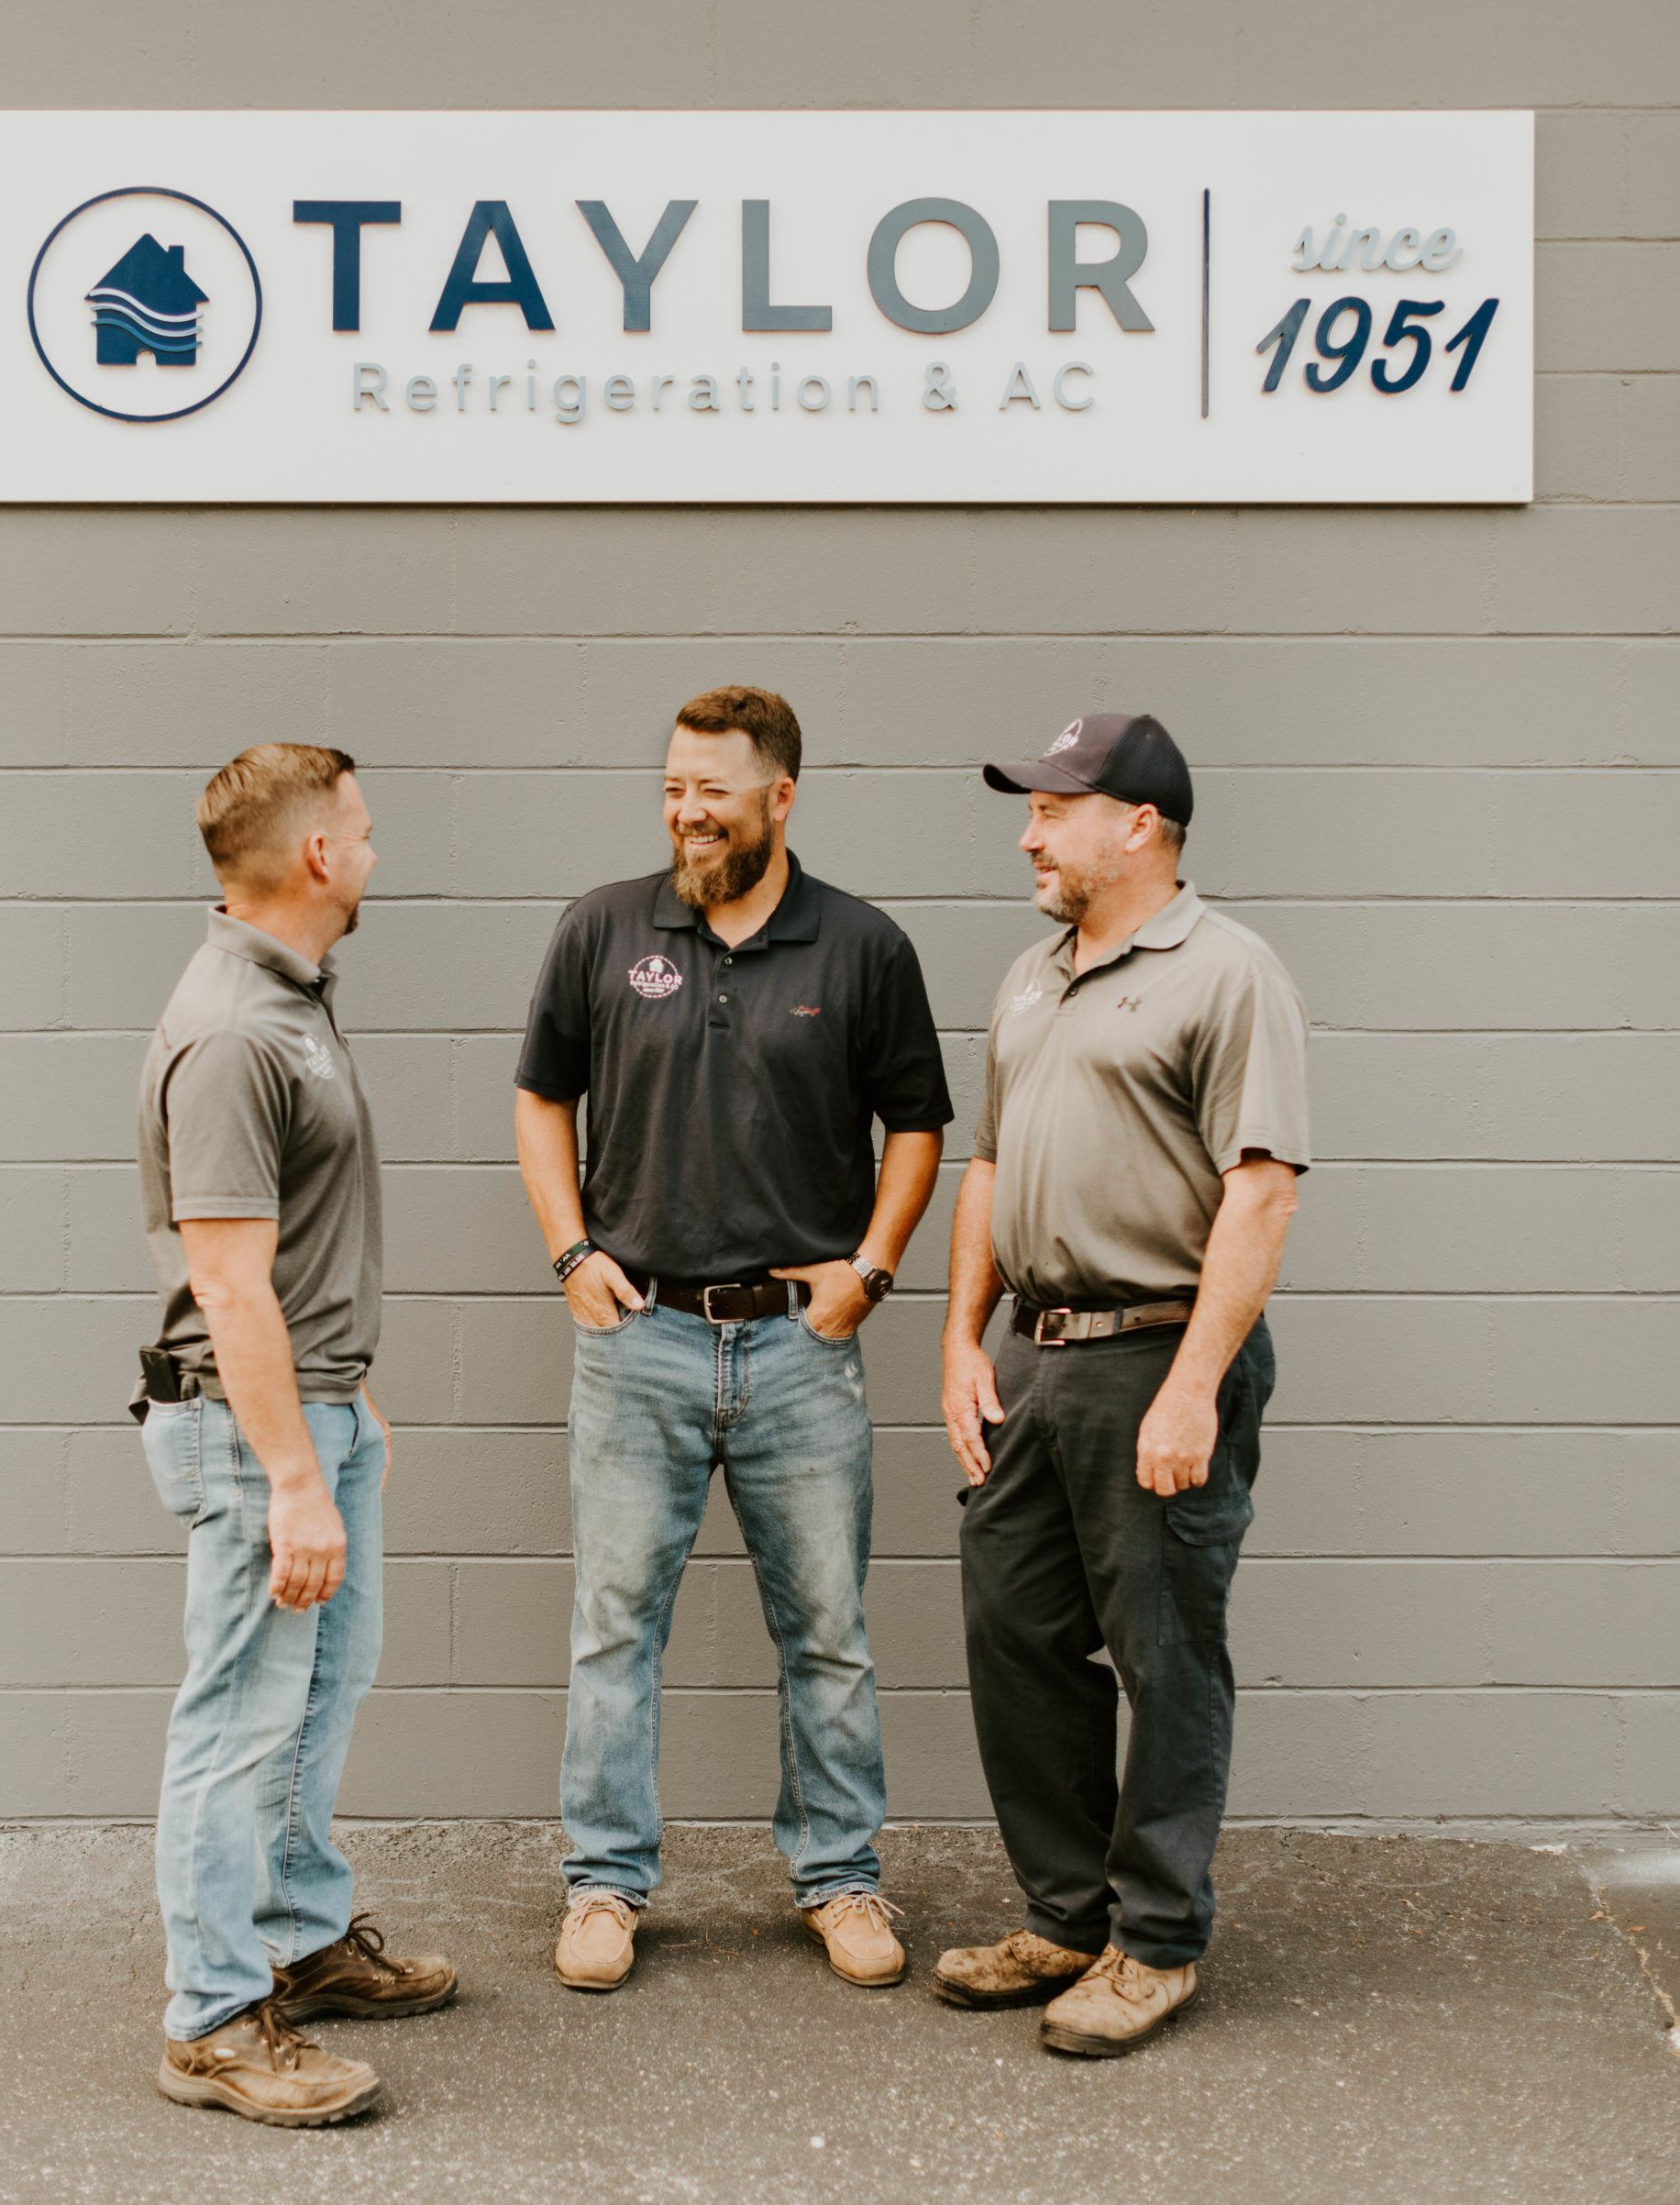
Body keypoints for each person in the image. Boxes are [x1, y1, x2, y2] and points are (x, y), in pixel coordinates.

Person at [514, 686, 951, 1992]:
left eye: (712, 789)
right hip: (637, 1337)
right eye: (671, 787)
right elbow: (542, 1099)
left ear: (781, 796)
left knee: (827, 1629)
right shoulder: (604, 928)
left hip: (798, 1353)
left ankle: (841, 1880)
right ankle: (603, 1887)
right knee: (613, 1630)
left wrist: (871, 1272)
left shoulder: (862, 948)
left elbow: (918, 1124)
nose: (686, 811)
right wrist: (572, 1253)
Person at [934, 712, 1308, 2057]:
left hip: (1158, 1353)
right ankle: (1065, 1913)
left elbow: (1260, 1190)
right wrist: (961, 1341)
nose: (1030, 834)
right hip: (1033, 1358)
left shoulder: (1226, 973)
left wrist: (1197, 1383)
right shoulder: (1034, 977)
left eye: (1052, 809)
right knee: (1017, 1636)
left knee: (1166, 1655)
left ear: (1136, 822)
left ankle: (1154, 1942)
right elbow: (986, 1168)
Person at [135, 743, 456, 2126]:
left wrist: (344, 1402)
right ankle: (213, 2015)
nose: (376, 851)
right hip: (252, 1431)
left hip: (318, 1406)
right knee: (237, 1717)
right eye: (365, 833)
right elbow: (227, 1279)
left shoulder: (298, 998)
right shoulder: (232, 1031)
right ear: (316, 857)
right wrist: (290, 1475)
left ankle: (298, 1936)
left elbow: (300, 1247)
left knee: (323, 1690)